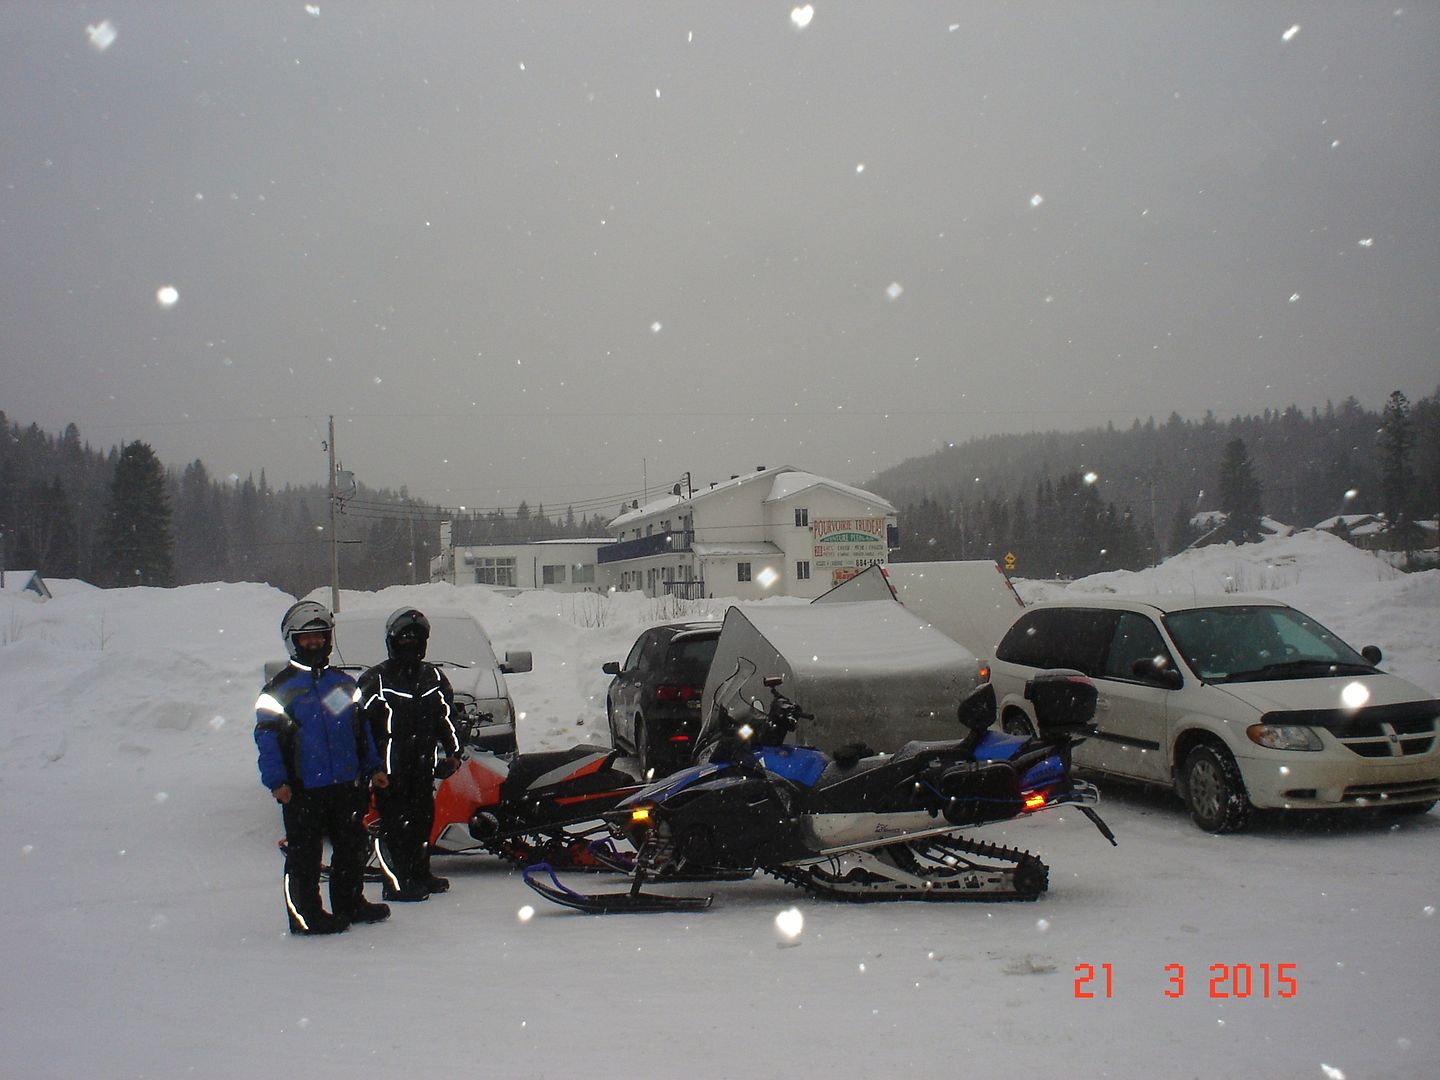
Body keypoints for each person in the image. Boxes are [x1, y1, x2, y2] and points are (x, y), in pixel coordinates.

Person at [255, 600, 392, 935]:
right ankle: (306, 915)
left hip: (345, 785)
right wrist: (277, 782)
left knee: (350, 848)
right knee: (304, 856)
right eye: (306, 638)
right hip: (303, 789)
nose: (314, 643)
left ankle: (350, 903)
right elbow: (267, 740)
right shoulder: (279, 690)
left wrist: (373, 767)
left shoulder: (343, 685)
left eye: (320, 636)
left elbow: (360, 731)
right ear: (292, 641)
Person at [358, 607, 462, 902]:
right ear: (392, 641)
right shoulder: (375, 680)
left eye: (416, 638)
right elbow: (358, 726)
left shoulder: (433, 677)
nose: (410, 643)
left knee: (421, 822)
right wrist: (371, 766)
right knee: (394, 828)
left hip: (422, 767)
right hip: (388, 772)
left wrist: (454, 751)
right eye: (404, 638)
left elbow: (447, 718)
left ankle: (419, 872)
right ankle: (396, 882)